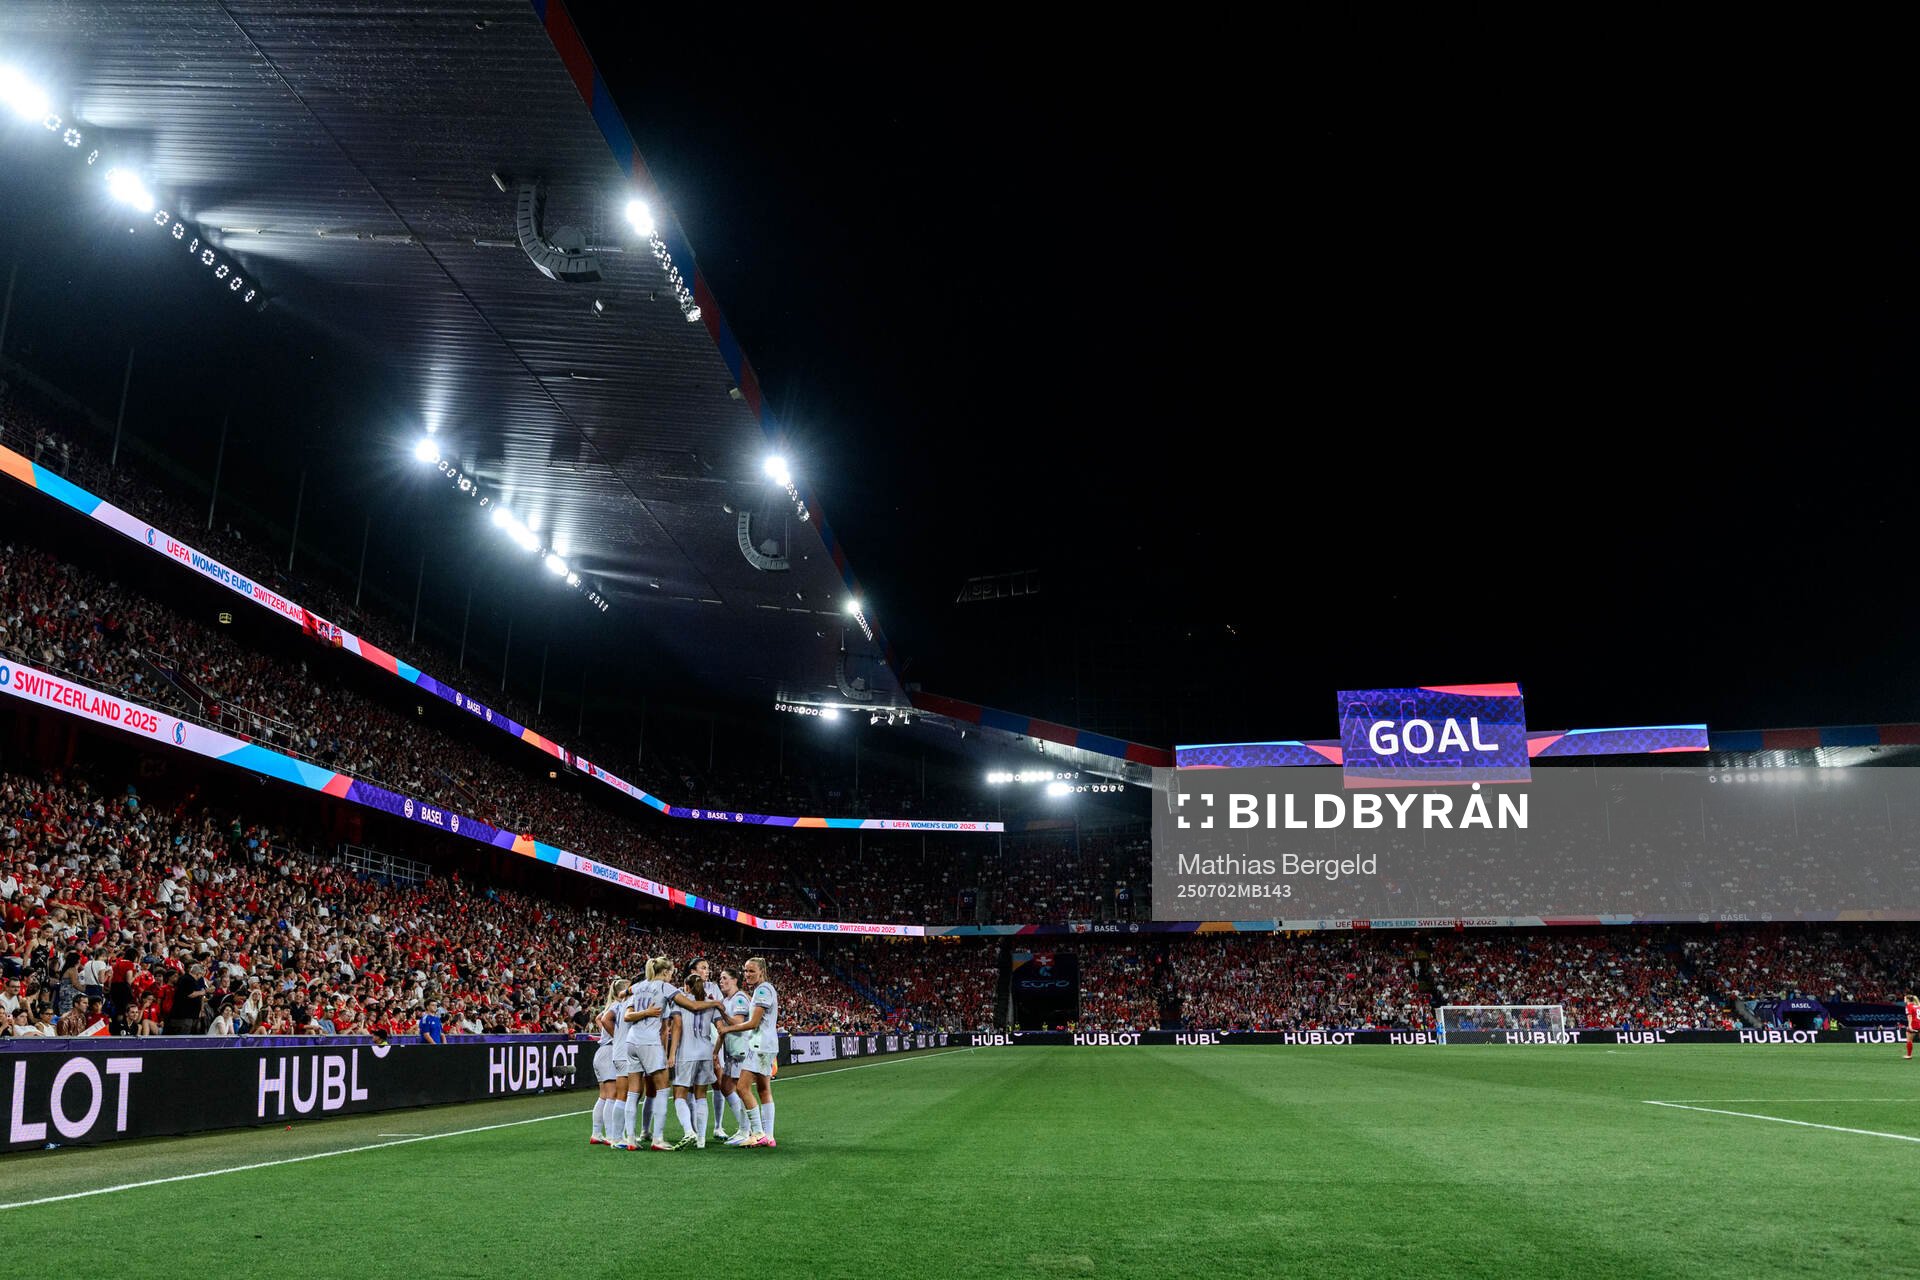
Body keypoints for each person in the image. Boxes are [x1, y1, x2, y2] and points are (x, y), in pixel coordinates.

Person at [621, 954, 721, 1151]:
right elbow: (693, 1005)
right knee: (662, 1089)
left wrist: (637, 1005)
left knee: (633, 1092)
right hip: (649, 1041)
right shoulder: (665, 987)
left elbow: (624, 993)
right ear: (666, 972)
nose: (672, 976)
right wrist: (715, 1003)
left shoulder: (639, 985)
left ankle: (630, 1139)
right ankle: (657, 1139)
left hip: (631, 1041)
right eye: (671, 973)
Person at [723, 955, 780, 1148]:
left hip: (759, 1045)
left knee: (742, 1087)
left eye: (751, 971)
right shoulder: (763, 989)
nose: (747, 974)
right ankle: (769, 1136)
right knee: (763, 1089)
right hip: (766, 1045)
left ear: (762, 971)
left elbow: (754, 1023)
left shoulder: (763, 990)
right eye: (746, 971)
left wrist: (728, 1029)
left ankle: (757, 1133)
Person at [668, 957, 722, 1149]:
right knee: (701, 1095)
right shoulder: (711, 1003)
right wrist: (716, 1051)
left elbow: (677, 1028)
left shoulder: (680, 1001)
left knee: (680, 1094)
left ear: (687, 986)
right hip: (705, 1051)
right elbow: (721, 1029)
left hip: (687, 1052)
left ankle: (688, 1131)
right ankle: (701, 1140)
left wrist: (671, 1054)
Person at [590, 978, 629, 1147]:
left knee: (604, 1096)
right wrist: (617, 1037)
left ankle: (597, 1133)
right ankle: (612, 1135)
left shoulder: (611, 1005)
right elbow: (604, 1020)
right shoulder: (618, 1006)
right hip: (609, 1051)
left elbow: (599, 1018)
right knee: (612, 1095)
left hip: (602, 1052)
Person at [715, 968, 751, 1143]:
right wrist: (715, 1051)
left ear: (735, 980)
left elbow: (738, 1022)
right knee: (726, 1086)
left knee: (740, 1089)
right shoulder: (726, 1000)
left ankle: (747, 1130)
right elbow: (722, 1030)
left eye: (725, 978)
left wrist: (721, 1011)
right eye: (720, 978)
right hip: (731, 1050)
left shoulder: (739, 998)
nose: (721, 981)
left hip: (741, 1049)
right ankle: (745, 1128)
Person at [1906, 993, 1919, 1060]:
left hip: (1914, 1024)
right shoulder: (1918, 1005)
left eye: (1905, 998)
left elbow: (1909, 1016)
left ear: (1907, 999)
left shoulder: (1909, 1006)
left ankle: (1909, 1055)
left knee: (1909, 1040)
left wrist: (1909, 1025)